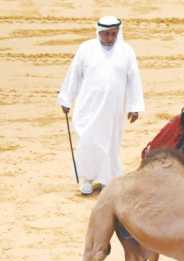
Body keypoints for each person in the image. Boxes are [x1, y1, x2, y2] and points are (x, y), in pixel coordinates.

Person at [58, 16, 144, 195]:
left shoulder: (126, 52)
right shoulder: (86, 49)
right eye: (106, 34)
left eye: (113, 34)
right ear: (99, 32)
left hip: (113, 109)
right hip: (88, 107)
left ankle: (107, 180)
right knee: (89, 142)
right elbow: (74, 75)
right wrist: (66, 99)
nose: (110, 38)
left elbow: (134, 79)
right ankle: (87, 180)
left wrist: (135, 106)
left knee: (111, 144)